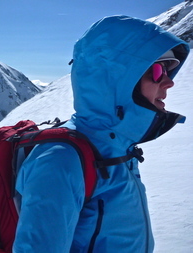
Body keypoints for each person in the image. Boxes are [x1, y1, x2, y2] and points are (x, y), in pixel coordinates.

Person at [13, 15, 189, 252]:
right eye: (158, 70)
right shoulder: (61, 158)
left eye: (169, 70)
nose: (169, 83)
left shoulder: (116, 144)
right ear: (117, 78)